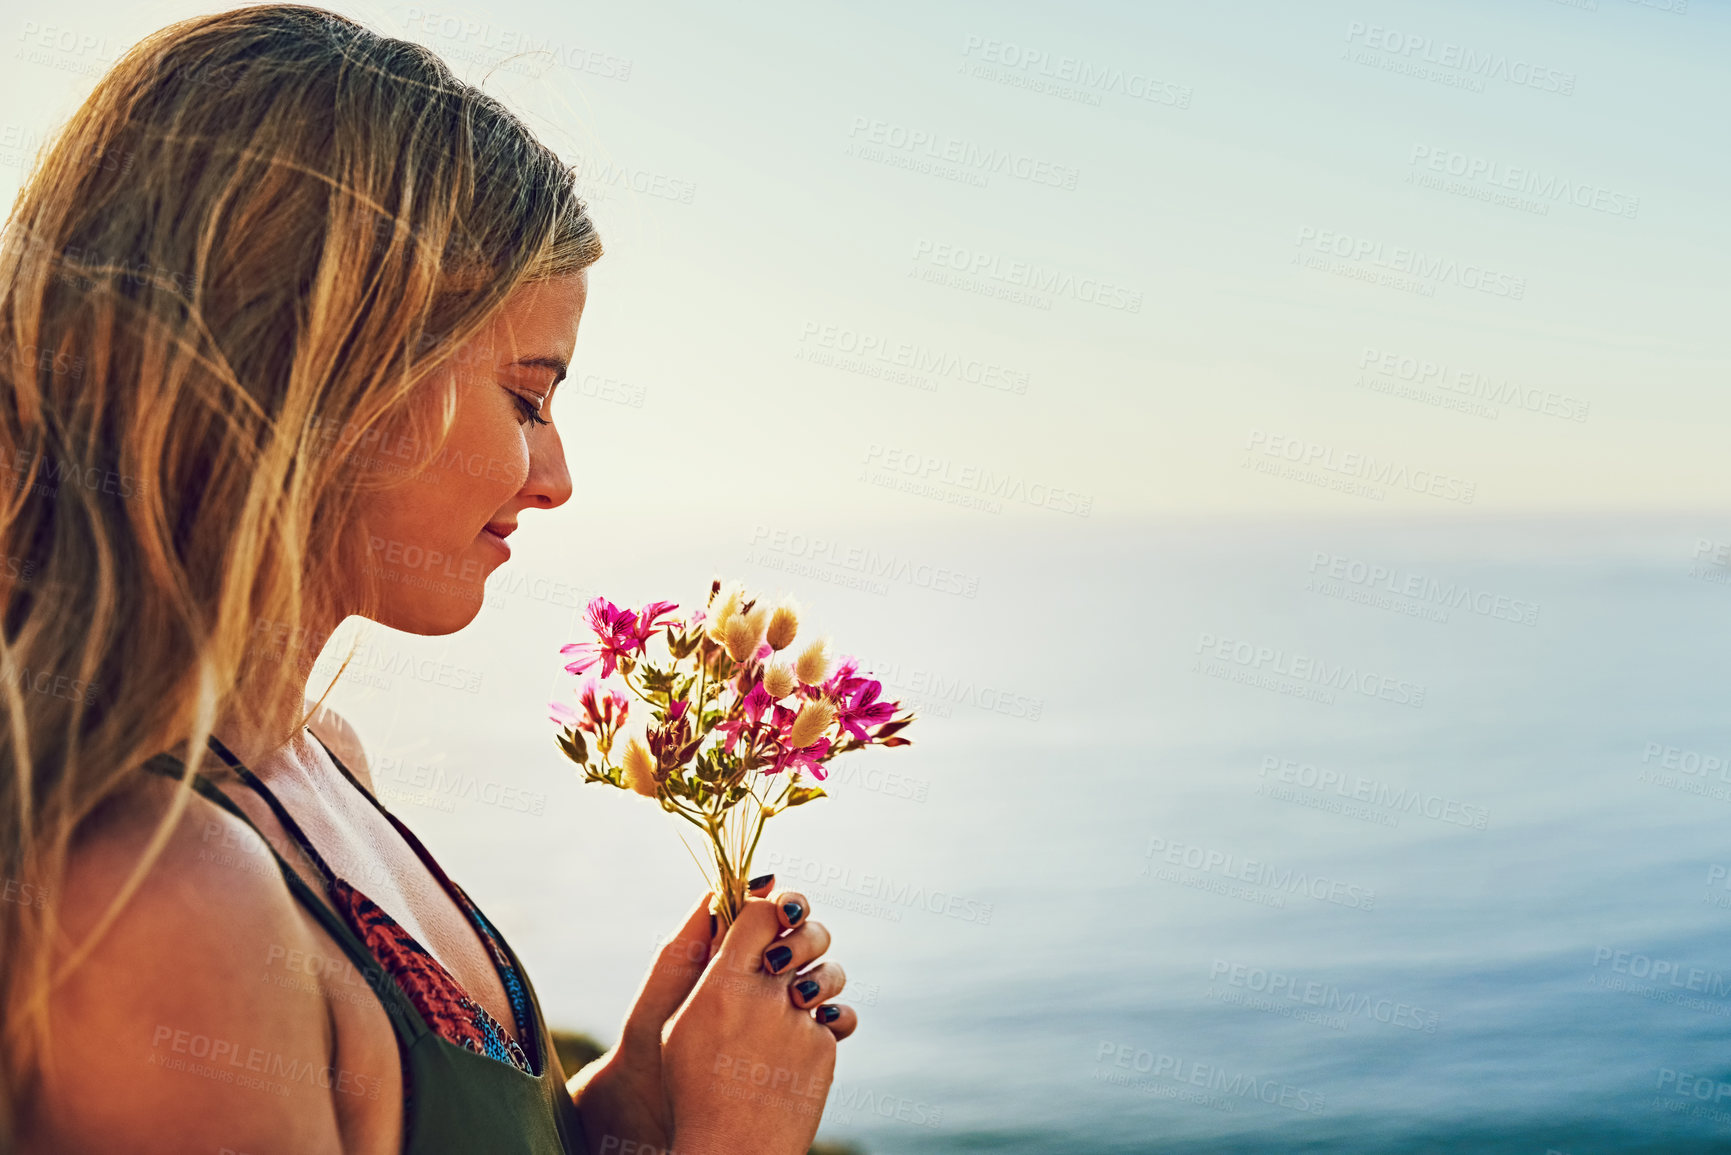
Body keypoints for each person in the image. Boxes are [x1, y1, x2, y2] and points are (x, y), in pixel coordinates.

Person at [0, 5, 853, 1152]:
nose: (554, 478)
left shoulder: (318, 759)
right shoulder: (162, 895)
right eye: (527, 397)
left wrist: (630, 1121)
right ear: (323, 364)